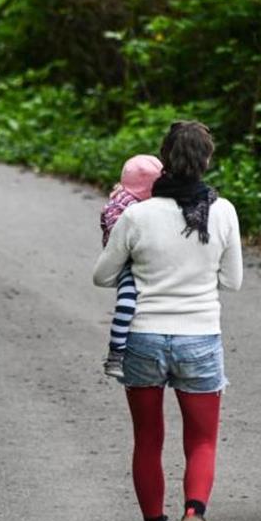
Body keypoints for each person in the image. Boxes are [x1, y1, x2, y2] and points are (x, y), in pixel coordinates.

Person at [92, 121, 243, 521]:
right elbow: (232, 281)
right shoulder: (223, 213)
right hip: (199, 336)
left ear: (164, 158)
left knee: (148, 439)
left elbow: (102, 275)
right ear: (206, 162)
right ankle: (193, 516)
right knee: (201, 440)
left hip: (143, 337)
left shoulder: (137, 217)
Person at [99, 154, 164, 378]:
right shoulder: (121, 205)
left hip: (146, 259)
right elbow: (121, 236)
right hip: (127, 262)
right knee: (127, 302)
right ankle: (115, 353)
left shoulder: (147, 204)